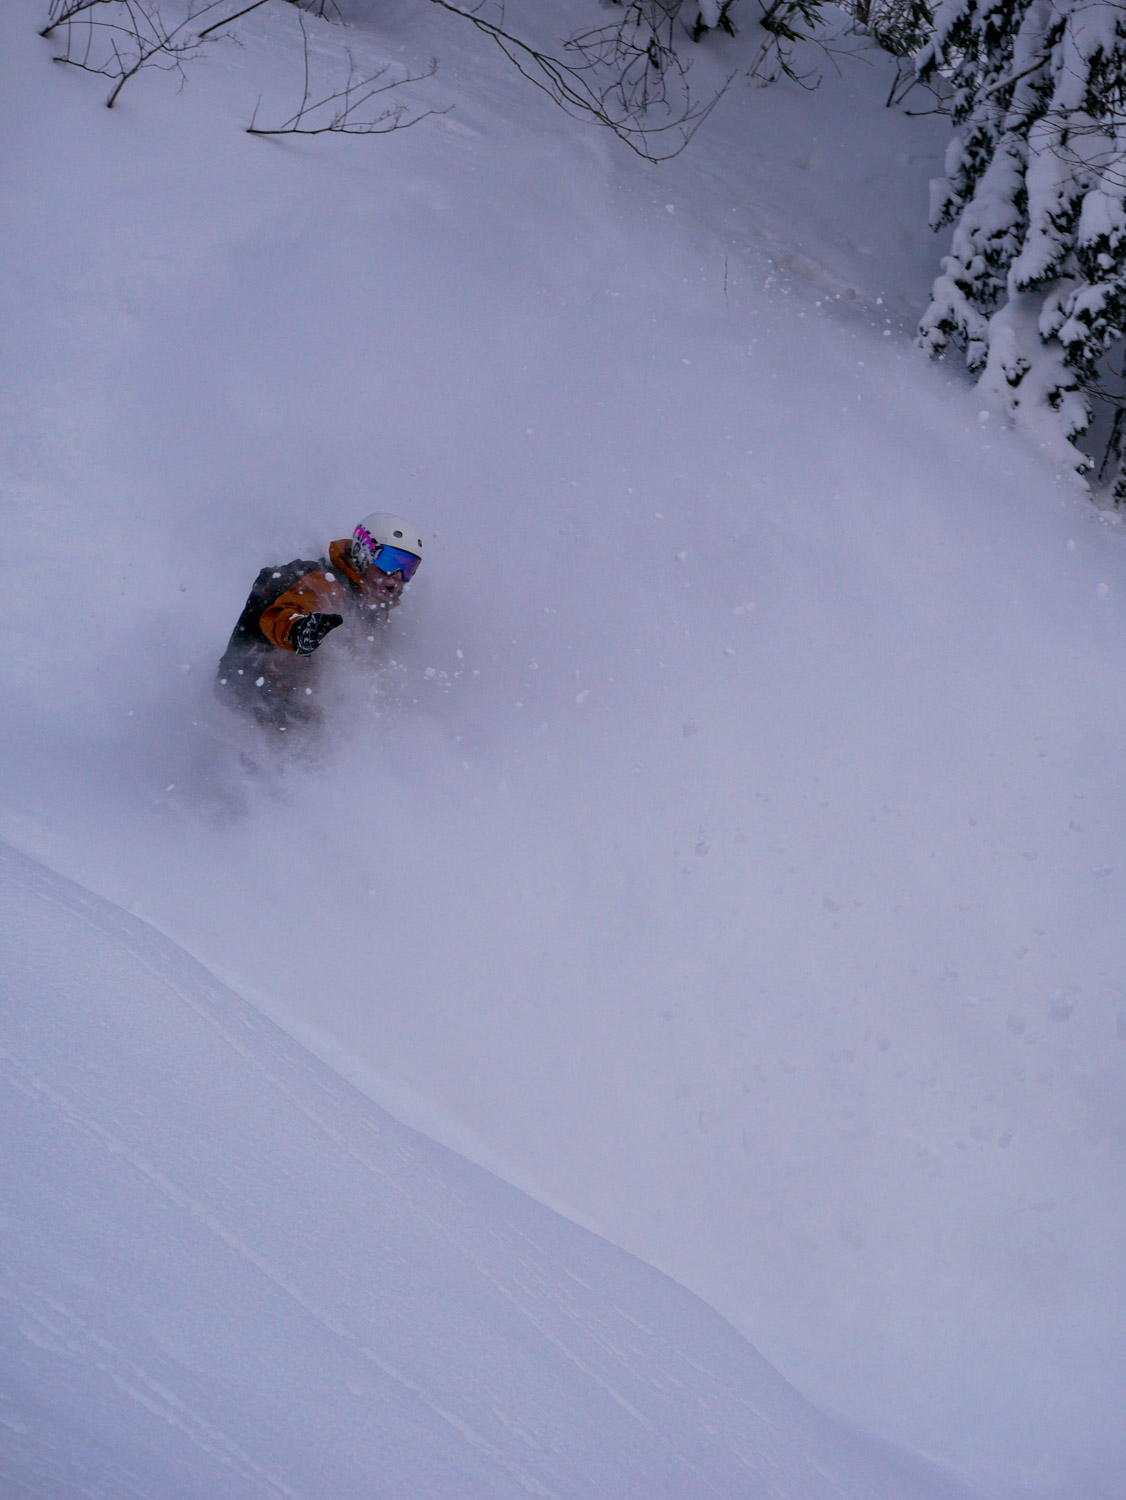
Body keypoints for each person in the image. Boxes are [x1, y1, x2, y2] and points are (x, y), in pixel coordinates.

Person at [215, 511, 423, 732]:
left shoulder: (373, 612)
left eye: (408, 568)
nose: (398, 576)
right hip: (268, 708)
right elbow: (282, 614)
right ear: (364, 552)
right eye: (390, 561)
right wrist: (299, 631)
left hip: (304, 720)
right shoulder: (327, 584)